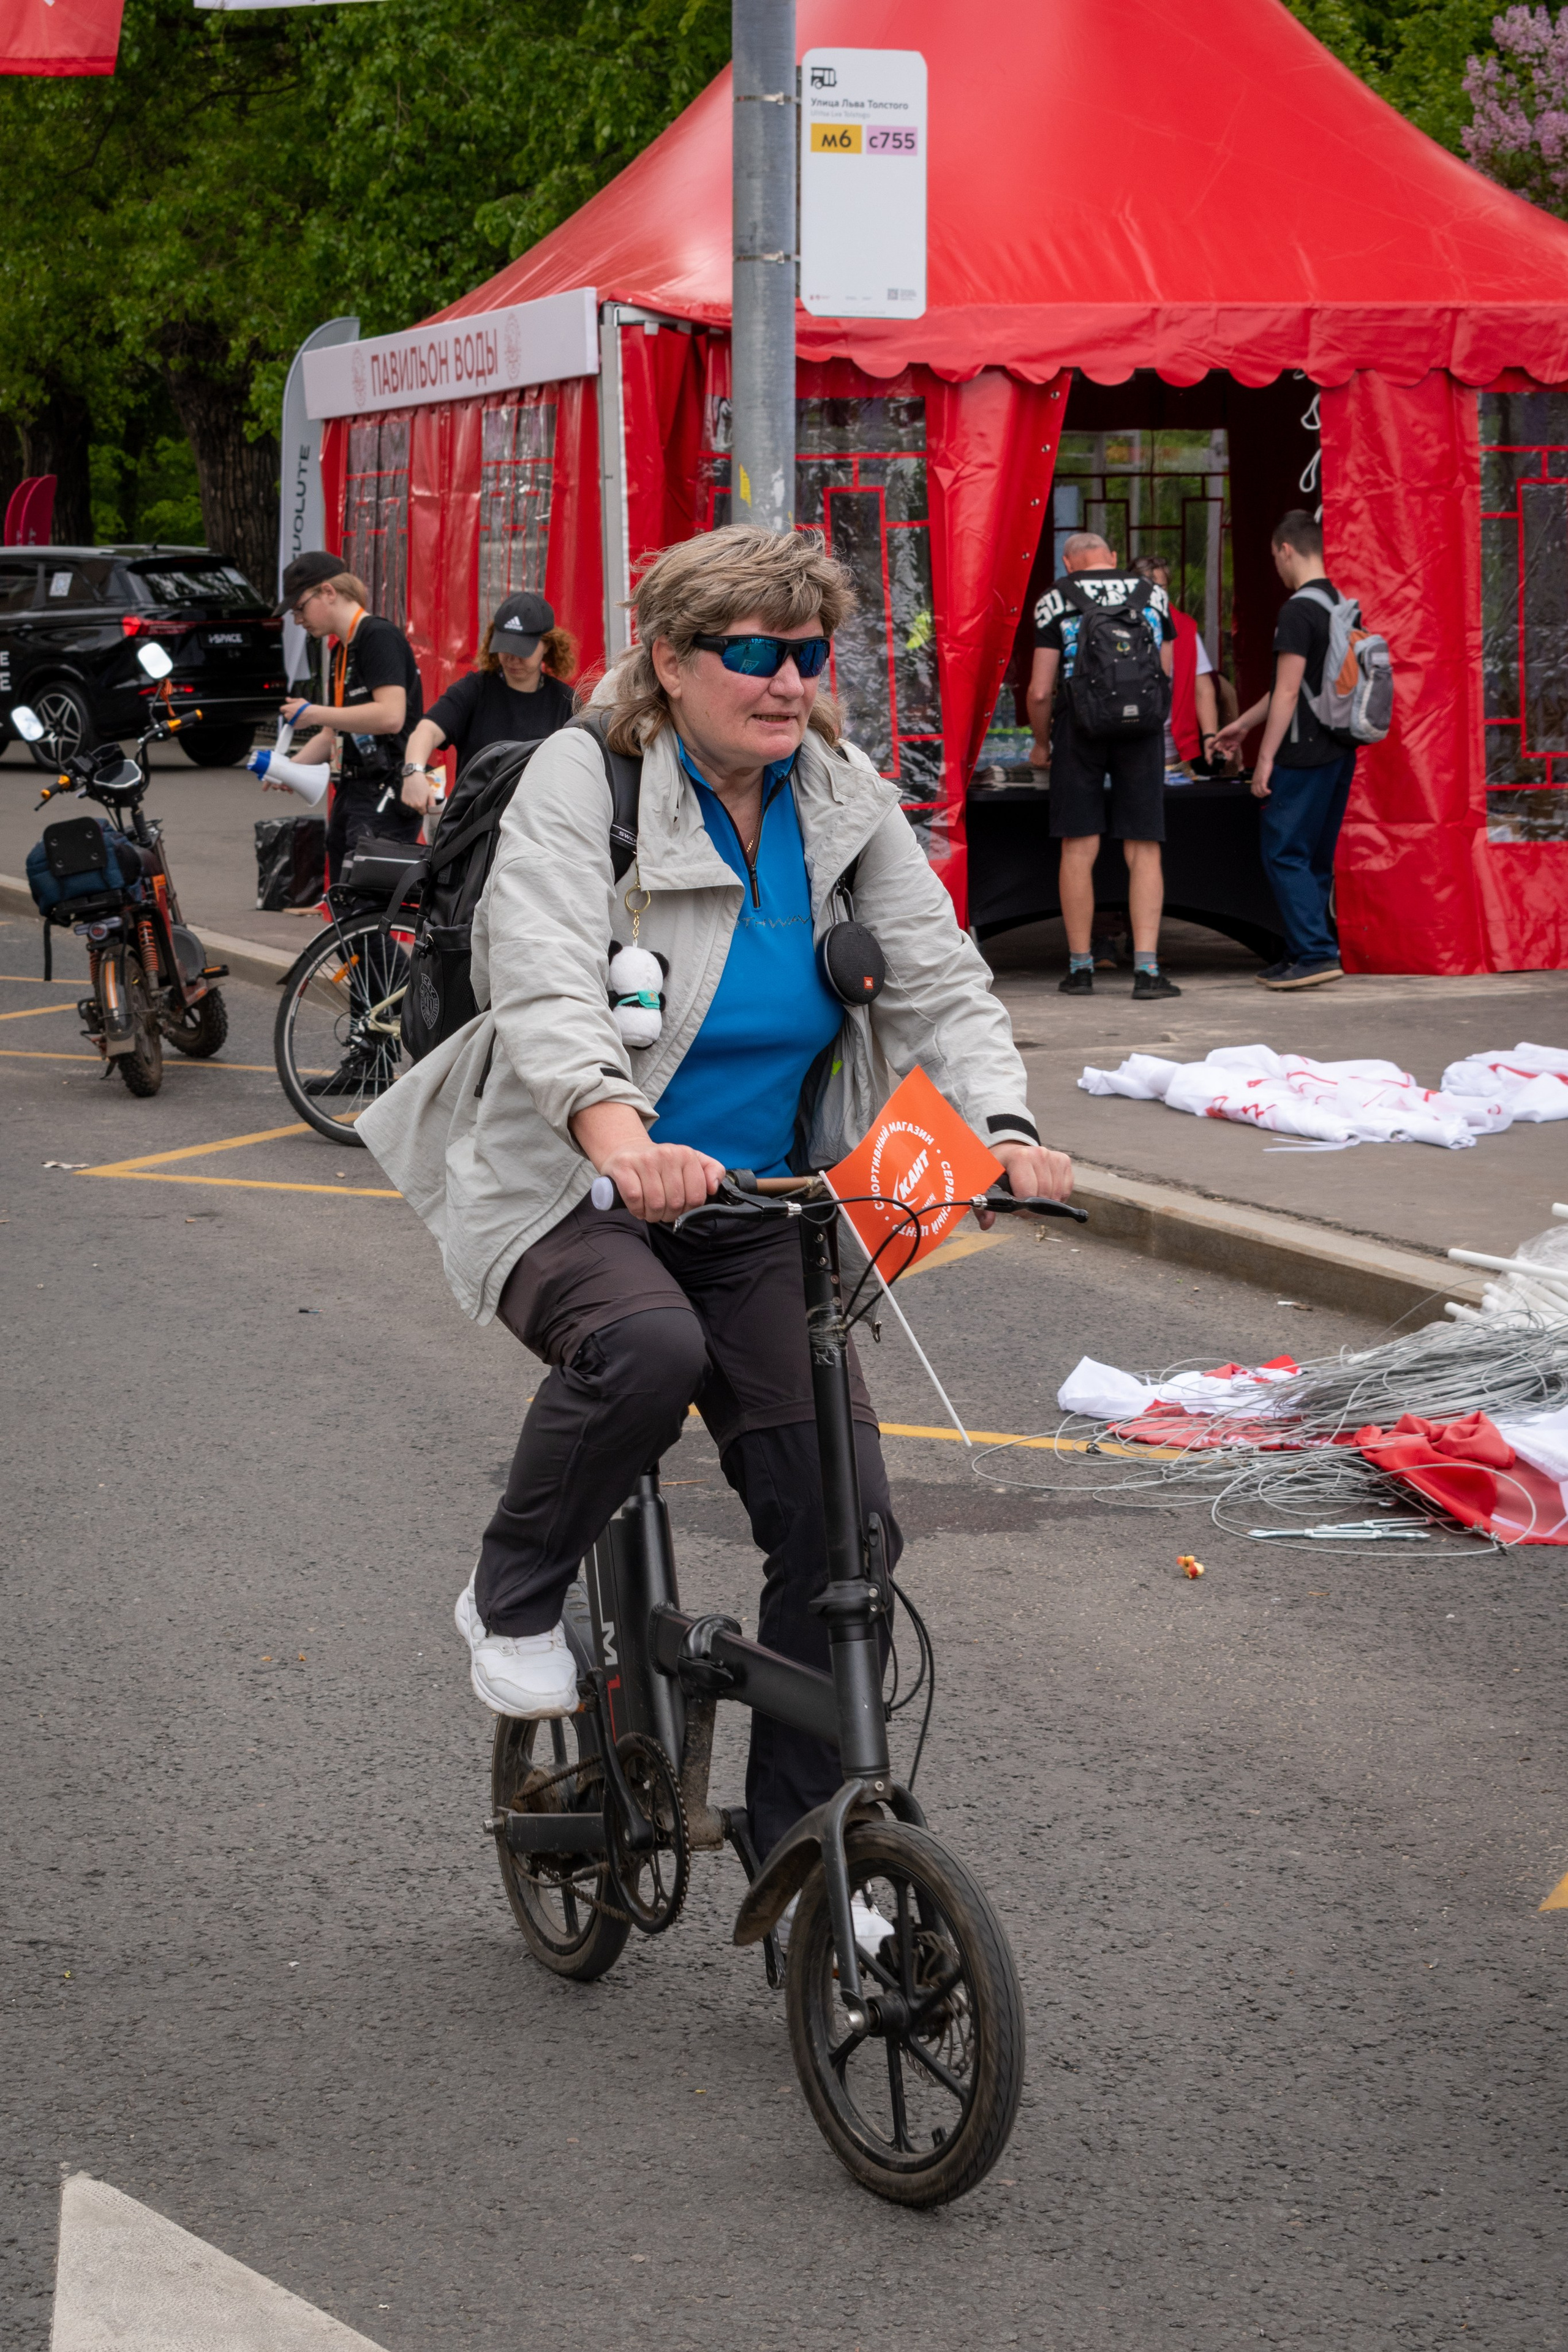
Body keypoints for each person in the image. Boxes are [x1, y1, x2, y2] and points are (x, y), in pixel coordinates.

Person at [358, 524, 1071, 1870]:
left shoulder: (839, 797)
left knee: (845, 1529)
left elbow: (939, 982)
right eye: (753, 652)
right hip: (570, 1183)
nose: (788, 680)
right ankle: (508, 1598)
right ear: (671, 662)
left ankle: (805, 1840)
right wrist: (617, 1133)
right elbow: (546, 975)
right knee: (644, 1345)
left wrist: (1008, 1128)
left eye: (807, 653)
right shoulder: (588, 778)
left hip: (756, 1204)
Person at [1027, 531, 1180, 1001]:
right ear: (1113, 558)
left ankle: (1080, 969)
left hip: (1081, 727)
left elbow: (1038, 691)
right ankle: (1148, 971)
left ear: (1070, 564)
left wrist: (1040, 743)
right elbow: (1167, 674)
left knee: (1079, 845)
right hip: (1142, 729)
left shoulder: (1055, 599)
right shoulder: (1152, 595)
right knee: (1144, 846)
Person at [1212, 511, 1355, 990]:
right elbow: (1291, 689)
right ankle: (1303, 949)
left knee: (1285, 853)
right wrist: (1242, 725)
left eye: (1275, 556)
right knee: (1313, 856)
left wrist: (1265, 755)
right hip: (1339, 748)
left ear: (1285, 550)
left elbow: (1290, 692)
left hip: (1302, 752)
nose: (1275, 564)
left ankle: (1315, 952)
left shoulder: (1297, 611)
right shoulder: (1340, 605)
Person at [273, 552, 424, 880]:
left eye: (300, 608)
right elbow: (331, 734)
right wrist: (288, 768)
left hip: (385, 791)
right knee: (344, 898)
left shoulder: (377, 636)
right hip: (352, 791)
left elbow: (391, 716)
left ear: (328, 592)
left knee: (366, 907)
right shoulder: (341, 649)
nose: (298, 620)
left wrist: (312, 712)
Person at [399, 590, 578, 815]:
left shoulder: (566, 702)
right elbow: (427, 730)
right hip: (475, 826)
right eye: (506, 647)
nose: (512, 658)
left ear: (548, 645)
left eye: (522, 650)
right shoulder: (475, 689)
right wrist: (414, 770)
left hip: (538, 827)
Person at [1131, 556, 1227, 780]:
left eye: (1160, 587)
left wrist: (1209, 736)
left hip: (1173, 754)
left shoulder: (1184, 628)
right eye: (1145, 587)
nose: (1153, 593)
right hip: (1127, 748)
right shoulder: (1116, 625)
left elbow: (1203, 689)